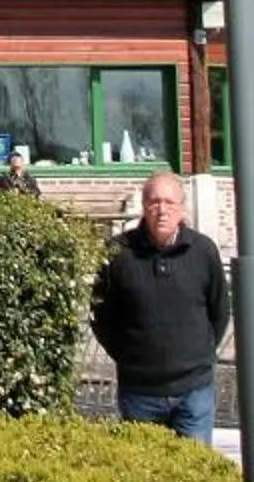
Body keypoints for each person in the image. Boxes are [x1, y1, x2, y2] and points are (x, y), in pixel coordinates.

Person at [90, 172, 231, 441]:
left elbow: (220, 311)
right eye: (154, 203)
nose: (162, 211)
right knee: (145, 476)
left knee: (195, 473)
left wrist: (199, 355)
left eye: (169, 203)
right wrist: (130, 356)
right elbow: (101, 316)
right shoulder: (118, 253)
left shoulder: (203, 251)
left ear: (182, 208)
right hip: (139, 393)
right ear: (144, 207)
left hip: (194, 392)